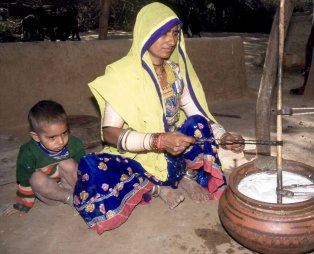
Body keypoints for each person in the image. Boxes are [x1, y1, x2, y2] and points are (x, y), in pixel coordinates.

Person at [73, 2, 245, 235]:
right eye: (163, 33)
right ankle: (156, 188)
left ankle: (184, 176)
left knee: (198, 125)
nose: (171, 40)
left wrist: (223, 136)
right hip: (139, 155)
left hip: (174, 150)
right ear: (146, 33)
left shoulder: (175, 72)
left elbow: (196, 112)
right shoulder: (123, 75)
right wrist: (157, 141)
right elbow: (110, 133)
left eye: (174, 33)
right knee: (94, 169)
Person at [2, 100, 85, 216]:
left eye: (64, 133)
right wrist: (23, 204)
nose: (61, 141)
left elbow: (85, 167)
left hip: (70, 184)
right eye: (52, 137)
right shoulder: (28, 153)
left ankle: (83, 195)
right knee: (36, 178)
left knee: (69, 163)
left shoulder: (74, 143)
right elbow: (25, 180)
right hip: (52, 195)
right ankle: (69, 198)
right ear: (36, 137)